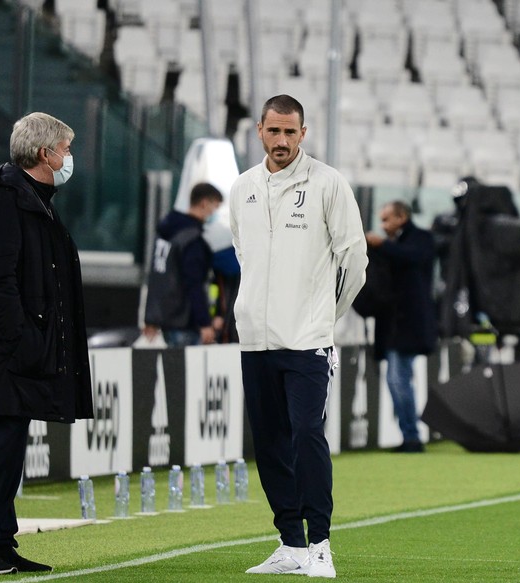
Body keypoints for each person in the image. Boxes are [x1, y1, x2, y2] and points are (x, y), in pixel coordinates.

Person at [229, 94, 368, 578]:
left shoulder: (329, 184)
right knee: (268, 443)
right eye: (274, 131)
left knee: (307, 435)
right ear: (259, 131)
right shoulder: (243, 187)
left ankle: (321, 544)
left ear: (303, 133)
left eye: (291, 132)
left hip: (308, 340)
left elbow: (355, 262)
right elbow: (245, 255)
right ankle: (290, 543)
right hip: (256, 340)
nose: (282, 140)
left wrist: (325, 318)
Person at [0, 112, 94, 576]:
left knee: (8, 449)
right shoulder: (4, 203)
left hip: (14, 353)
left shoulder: (31, 199)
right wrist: (26, 341)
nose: (69, 158)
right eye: (66, 150)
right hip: (2, 355)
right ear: (44, 154)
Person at [365, 201, 438, 453]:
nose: (383, 226)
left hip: (409, 325)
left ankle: (412, 437)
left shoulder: (421, 239)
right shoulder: (398, 245)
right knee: (397, 380)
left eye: (387, 219)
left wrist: (382, 245)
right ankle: (410, 435)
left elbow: (413, 257)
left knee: (398, 379)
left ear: (402, 217)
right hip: (396, 326)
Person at [142, 182, 223, 347]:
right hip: (185, 321)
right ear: (204, 203)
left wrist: (151, 318)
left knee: (175, 371)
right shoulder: (191, 240)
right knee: (189, 372)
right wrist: (204, 322)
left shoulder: (167, 233)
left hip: (167, 319)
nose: (215, 213)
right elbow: (193, 283)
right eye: (215, 207)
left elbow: (157, 277)